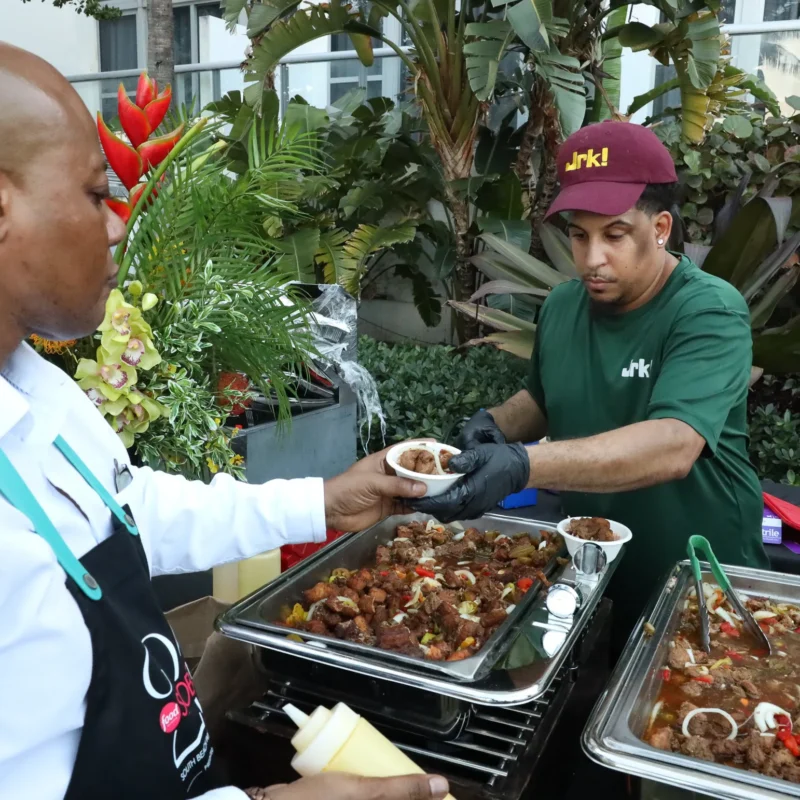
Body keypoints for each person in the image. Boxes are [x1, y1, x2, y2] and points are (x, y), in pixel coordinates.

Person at [0, 43, 451, 800]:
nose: (117, 227)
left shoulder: (37, 385)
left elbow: (125, 510)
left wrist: (324, 499)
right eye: (91, 193)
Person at [414, 120, 769, 652]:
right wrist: (493, 426)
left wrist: (523, 464)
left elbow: (674, 443)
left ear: (661, 228)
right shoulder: (563, 304)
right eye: (580, 235)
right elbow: (544, 397)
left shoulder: (708, 311)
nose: (591, 258)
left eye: (615, 235)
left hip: (697, 578)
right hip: (588, 567)